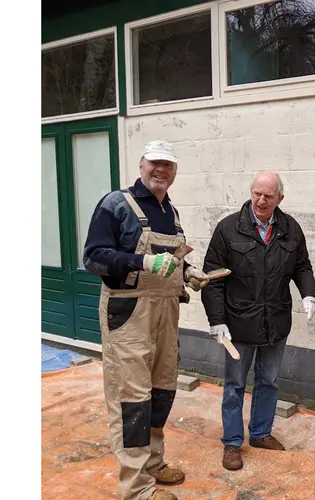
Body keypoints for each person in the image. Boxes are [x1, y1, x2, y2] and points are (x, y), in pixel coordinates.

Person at [83, 140, 210, 500]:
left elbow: (169, 260)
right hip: (128, 315)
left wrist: (188, 273)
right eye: (155, 163)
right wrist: (140, 262)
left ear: (174, 173)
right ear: (141, 165)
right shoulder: (116, 204)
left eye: (168, 166)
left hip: (165, 314)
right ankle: (137, 488)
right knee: (132, 399)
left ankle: (153, 464)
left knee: (161, 392)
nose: (161, 171)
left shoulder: (169, 210)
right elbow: (93, 257)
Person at [200, 171, 315, 471]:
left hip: (276, 322)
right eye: (257, 194)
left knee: (268, 380)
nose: (261, 200)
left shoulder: (290, 228)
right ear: (250, 193)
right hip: (238, 323)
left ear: (280, 198)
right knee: (235, 384)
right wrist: (217, 320)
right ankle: (231, 442)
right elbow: (212, 278)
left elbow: (302, 265)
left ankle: (261, 433)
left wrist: (309, 294)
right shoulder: (228, 229)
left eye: (268, 195)